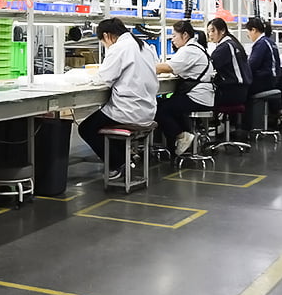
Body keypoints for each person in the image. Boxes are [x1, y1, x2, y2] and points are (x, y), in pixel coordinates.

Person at [77, 18, 158, 180]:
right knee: (102, 119)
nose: (105, 46)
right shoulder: (143, 46)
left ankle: (118, 163)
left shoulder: (120, 47)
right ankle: (125, 159)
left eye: (103, 42)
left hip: (128, 110)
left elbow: (104, 78)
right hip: (147, 109)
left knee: (86, 128)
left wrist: (83, 79)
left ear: (107, 36)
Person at [154, 21, 214, 156]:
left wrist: (145, 66)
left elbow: (168, 67)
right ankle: (180, 140)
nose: (172, 39)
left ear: (185, 35)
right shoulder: (196, 48)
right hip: (201, 95)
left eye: (174, 36)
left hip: (197, 97)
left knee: (159, 108)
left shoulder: (189, 50)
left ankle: (181, 136)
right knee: (167, 104)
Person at [243, 17, 281, 130]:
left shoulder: (261, 44)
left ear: (254, 30)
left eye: (248, 32)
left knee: (241, 91)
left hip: (264, 81)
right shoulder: (269, 42)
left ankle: (246, 126)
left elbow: (252, 65)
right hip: (272, 79)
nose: (248, 36)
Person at [206, 17, 252, 107]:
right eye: (208, 32)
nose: (210, 34)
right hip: (241, 90)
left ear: (222, 31)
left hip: (233, 91)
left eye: (212, 31)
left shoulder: (224, 47)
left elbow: (209, 67)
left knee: (202, 97)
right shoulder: (233, 43)